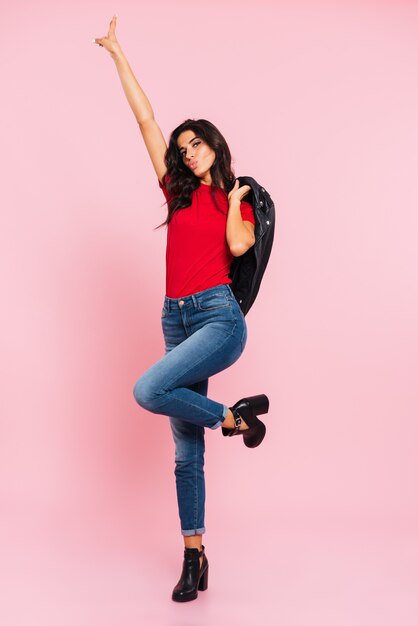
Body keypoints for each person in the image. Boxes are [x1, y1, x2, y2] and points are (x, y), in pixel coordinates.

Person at [93, 15, 270, 602]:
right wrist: (119, 54)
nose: (188, 152)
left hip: (219, 318)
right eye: (182, 146)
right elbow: (145, 119)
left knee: (148, 389)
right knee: (183, 446)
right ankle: (194, 555)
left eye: (197, 144)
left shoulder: (230, 197)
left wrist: (237, 199)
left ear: (215, 146)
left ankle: (229, 416)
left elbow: (241, 247)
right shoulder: (177, 192)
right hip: (175, 315)